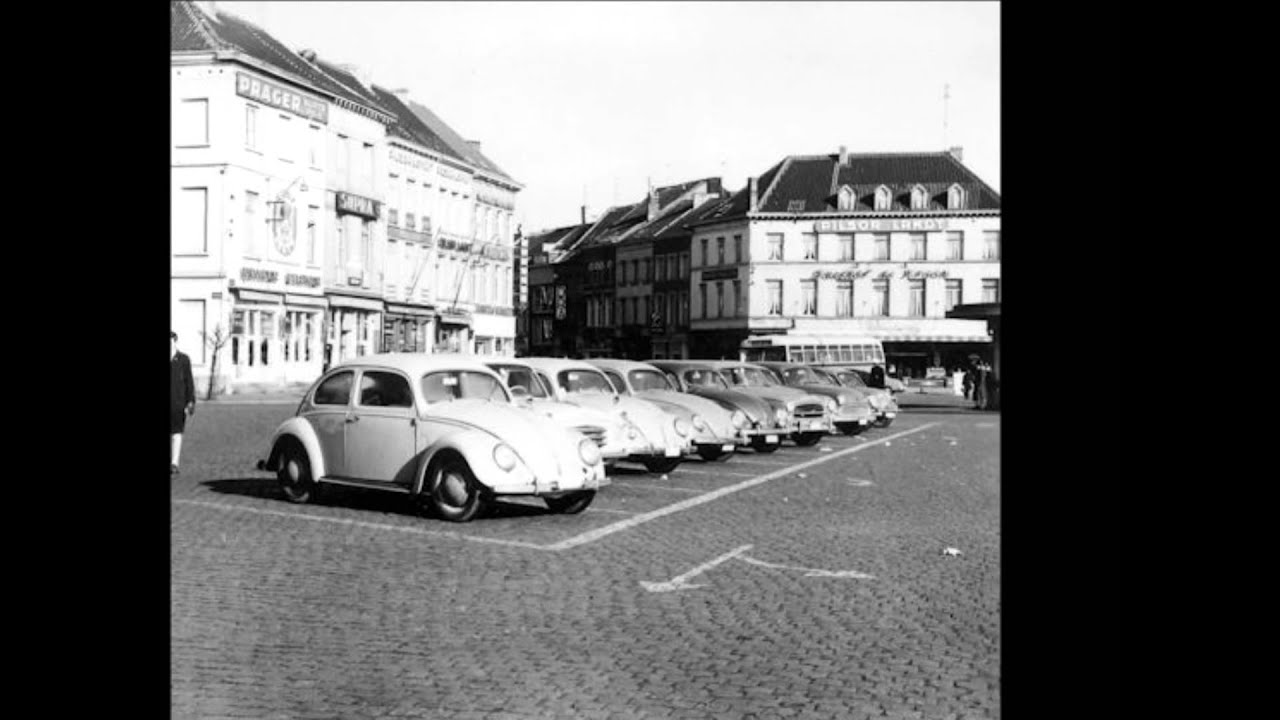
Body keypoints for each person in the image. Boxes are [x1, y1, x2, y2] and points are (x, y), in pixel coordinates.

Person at [171, 331, 196, 475]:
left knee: (176, 433)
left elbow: (189, 382)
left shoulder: (183, 360)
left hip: (177, 403)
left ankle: (174, 462)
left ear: (175, 341)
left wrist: (190, 401)